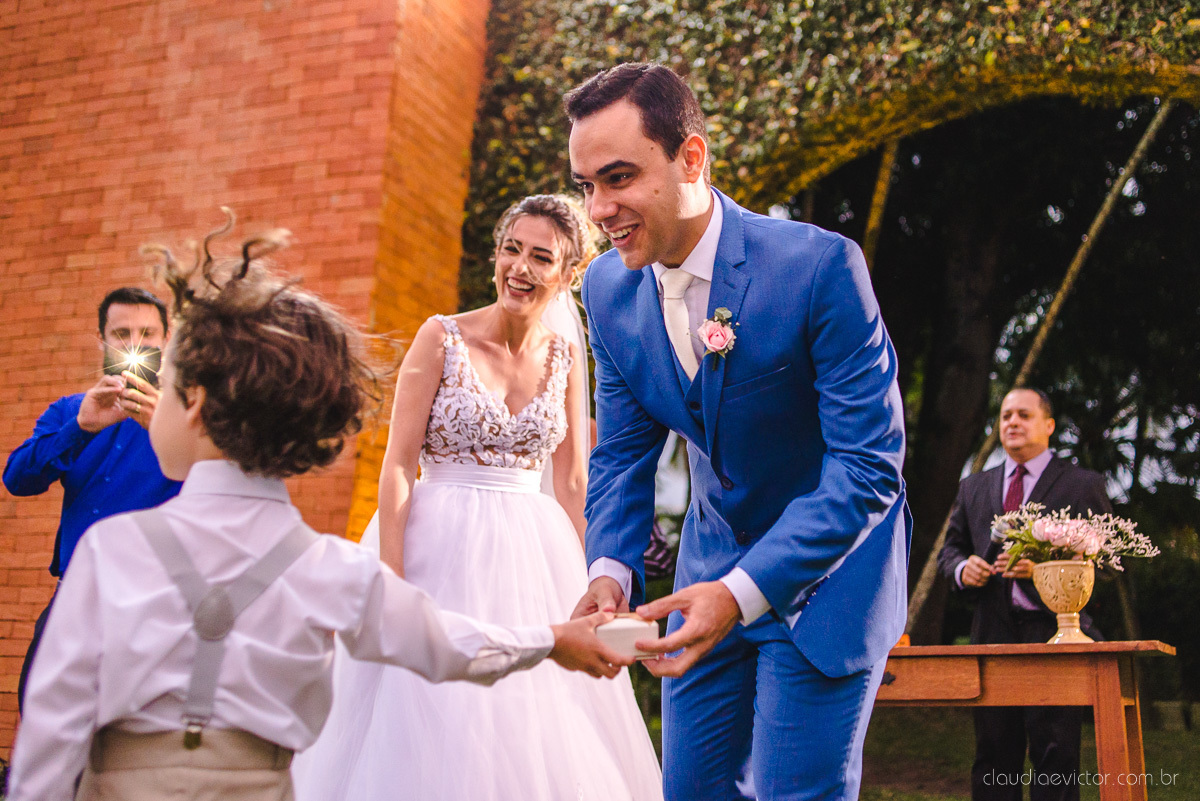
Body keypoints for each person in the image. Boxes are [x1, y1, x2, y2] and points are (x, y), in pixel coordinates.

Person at [6, 215, 628, 801]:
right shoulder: (330, 569)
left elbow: (50, 743)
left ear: (193, 403)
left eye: (163, 383)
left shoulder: (112, 553)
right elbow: (449, 642)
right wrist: (551, 641)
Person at [566, 63, 911, 801]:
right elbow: (624, 452)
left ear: (691, 157)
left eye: (619, 177)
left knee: (796, 792)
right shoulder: (606, 287)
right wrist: (609, 574)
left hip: (829, 580)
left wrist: (742, 590)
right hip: (704, 572)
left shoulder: (819, 268)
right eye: (585, 184)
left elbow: (868, 466)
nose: (599, 208)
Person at [291, 195, 663, 801]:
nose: (519, 267)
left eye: (540, 257)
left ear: (567, 275)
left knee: (535, 718)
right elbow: (398, 465)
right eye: (511, 249)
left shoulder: (568, 357)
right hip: (438, 540)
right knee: (426, 701)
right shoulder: (441, 337)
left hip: (533, 550)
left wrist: (591, 574)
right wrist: (392, 573)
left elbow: (571, 481)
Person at [3, 286, 182, 713]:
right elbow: (17, 478)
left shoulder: (192, 416)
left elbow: (225, 485)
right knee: (39, 714)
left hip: (155, 608)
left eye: (147, 333)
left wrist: (170, 432)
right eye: (121, 333)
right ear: (102, 339)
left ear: (166, 339)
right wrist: (80, 427)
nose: (135, 344)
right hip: (73, 601)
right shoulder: (71, 410)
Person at [938, 388, 1111, 801]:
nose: (1012, 422)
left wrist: (1045, 572)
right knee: (994, 755)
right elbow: (950, 551)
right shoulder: (973, 488)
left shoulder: (1082, 485)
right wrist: (964, 569)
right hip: (991, 636)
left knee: (1056, 755)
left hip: (1055, 636)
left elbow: (1108, 566)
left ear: (1048, 426)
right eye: (1005, 416)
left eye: (1023, 415)